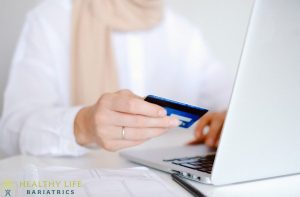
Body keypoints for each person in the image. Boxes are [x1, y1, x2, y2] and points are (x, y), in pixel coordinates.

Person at [0, 0, 232, 156]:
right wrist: (83, 124)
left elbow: (231, 100)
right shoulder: (51, 18)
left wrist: (228, 119)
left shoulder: (185, 33)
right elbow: (10, 132)